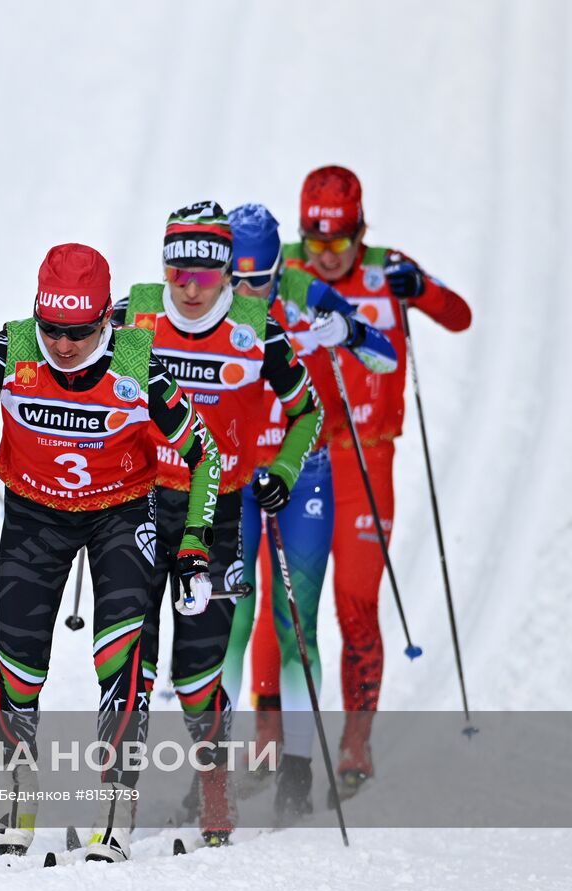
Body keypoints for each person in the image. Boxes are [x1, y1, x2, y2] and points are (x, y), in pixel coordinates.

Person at [0, 243, 221, 863]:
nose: (62, 345)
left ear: (105, 322)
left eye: (80, 332)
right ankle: (19, 794)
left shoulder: (139, 365)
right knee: (19, 664)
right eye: (52, 328)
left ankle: (115, 807)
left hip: (120, 513)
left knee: (118, 657)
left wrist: (193, 543)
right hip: (37, 513)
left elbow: (206, 457)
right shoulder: (10, 350)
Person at [111, 201, 320, 844]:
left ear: (230, 271)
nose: (191, 286)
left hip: (218, 511)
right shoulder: (132, 313)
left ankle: (214, 793)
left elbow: (306, 412)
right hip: (141, 503)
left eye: (206, 272)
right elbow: (74, 375)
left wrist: (282, 471)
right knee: (126, 658)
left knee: (198, 670)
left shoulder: (258, 327)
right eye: (179, 269)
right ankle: (117, 799)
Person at [283, 167, 471, 794]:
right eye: (315, 243)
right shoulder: (279, 267)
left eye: (339, 244)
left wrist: (422, 289)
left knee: (357, 605)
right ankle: (270, 747)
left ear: (361, 231)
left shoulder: (388, 267)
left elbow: (459, 315)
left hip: (368, 460)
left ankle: (356, 744)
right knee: (284, 610)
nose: (327, 258)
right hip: (297, 458)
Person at [221, 202, 397, 816]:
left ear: (279, 269)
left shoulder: (306, 292)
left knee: (296, 623)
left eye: (260, 282)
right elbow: (128, 334)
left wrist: (346, 331)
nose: (246, 294)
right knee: (228, 622)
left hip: (302, 476)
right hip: (235, 476)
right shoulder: (198, 292)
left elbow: (385, 356)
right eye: (234, 281)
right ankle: (208, 773)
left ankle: (295, 770)